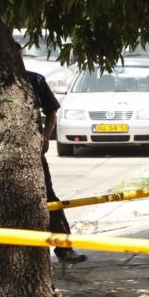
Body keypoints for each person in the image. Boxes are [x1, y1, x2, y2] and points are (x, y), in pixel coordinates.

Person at [25, 67, 87, 264]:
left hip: (33, 151)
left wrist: (45, 136)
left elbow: (51, 112)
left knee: (49, 198)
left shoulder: (35, 79)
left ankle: (64, 249)